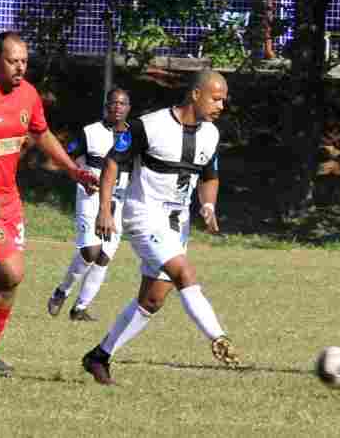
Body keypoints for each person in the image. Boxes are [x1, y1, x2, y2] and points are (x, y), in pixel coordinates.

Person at [0, 31, 98, 374]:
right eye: (13, 61)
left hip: (9, 198)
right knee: (11, 270)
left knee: (10, 279)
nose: (21, 68)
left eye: (25, 61)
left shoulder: (27, 94)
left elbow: (41, 133)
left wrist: (72, 170)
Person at [81, 70, 240, 386]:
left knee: (152, 300)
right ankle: (219, 337)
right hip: (143, 218)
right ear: (196, 94)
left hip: (176, 226)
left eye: (224, 99)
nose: (222, 105)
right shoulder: (149, 126)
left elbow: (209, 176)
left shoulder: (211, 134)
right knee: (185, 273)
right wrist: (104, 210)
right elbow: (113, 162)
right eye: (216, 98)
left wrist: (208, 206)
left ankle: (99, 356)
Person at [47, 88, 133, 321]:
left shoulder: (134, 137)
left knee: (104, 256)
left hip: (119, 200)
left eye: (122, 103)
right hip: (91, 196)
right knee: (90, 251)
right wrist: (81, 176)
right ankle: (61, 291)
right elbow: (70, 156)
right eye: (113, 103)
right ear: (106, 106)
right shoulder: (90, 132)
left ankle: (80, 308)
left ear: (129, 108)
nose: (117, 107)